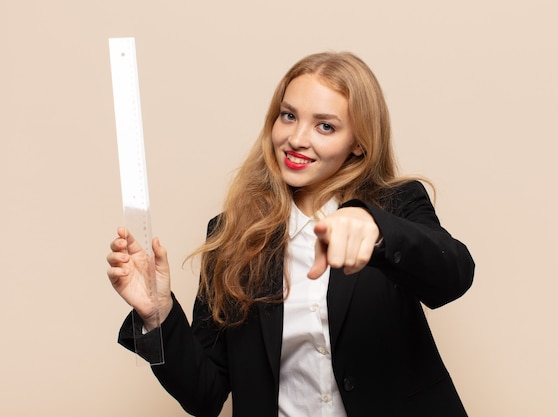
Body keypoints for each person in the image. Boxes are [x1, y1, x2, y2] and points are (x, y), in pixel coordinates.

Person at [107, 51, 475, 417]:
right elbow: (206, 395)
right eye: (289, 116)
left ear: (359, 142)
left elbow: (452, 276)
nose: (297, 139)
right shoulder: (232, 234)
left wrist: (375, 227)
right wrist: (157, 316)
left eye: (325, 126)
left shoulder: (396, 205)